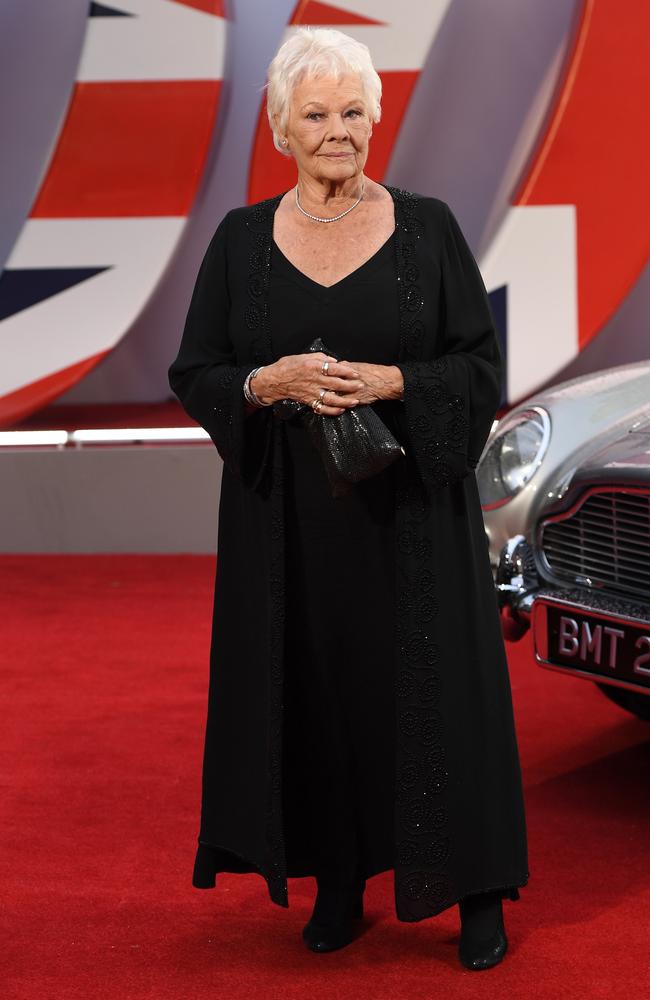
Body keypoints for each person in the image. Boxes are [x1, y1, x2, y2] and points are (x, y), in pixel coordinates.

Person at [168, 26, 529, 971]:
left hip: (414, 513)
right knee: (318, 691)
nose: (339, 130)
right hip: (289, 523)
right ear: (281, 128)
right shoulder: (241, 241)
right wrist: (266, 383)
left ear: (377, 118)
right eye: (317, 113)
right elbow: (197, 367)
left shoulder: (430, 227)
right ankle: (337, 879)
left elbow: (480, 368)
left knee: (443, 693)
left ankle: (477, 893)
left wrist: (394, 383)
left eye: (354, 111)